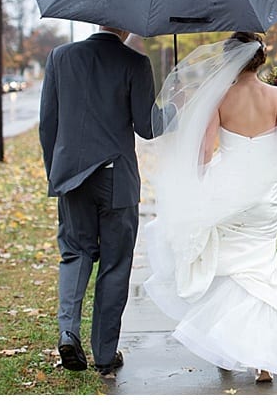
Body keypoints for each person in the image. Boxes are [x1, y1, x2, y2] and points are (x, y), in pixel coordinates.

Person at [143, 31, 277, 383]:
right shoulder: (276, 96)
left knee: (225, 271)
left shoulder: (219, 97)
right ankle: (263, 363)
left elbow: (204, 150)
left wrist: (196, 186)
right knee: (261, 273)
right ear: (259, 59)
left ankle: (227, 350)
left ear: (230, 60)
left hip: (226, 194)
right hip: (262, 197)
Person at [39, 25, 160, 377]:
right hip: (116, 179)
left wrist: (57, 173)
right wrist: (175, 107)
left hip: (72, 177)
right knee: (115, 264)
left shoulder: (60, 58)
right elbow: (148, 127)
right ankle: (105, 355)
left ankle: (68, 331)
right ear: (125, 24)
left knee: (75, 253)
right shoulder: (135, 63)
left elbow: (48, 125)